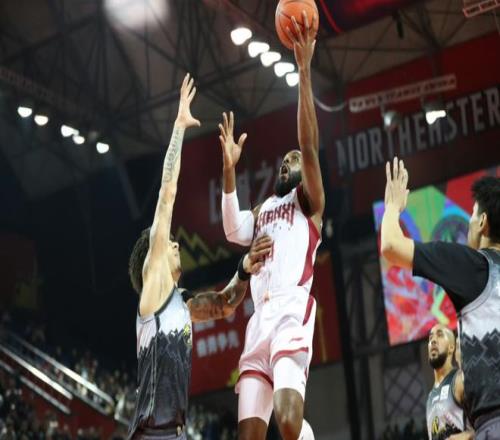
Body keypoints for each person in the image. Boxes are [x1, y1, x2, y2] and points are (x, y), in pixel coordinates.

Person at [126, 74, 273, 439]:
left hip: (173, 433)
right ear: (152, 260)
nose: (176, 244)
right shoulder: (154, 290)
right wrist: (179, 127)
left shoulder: (182, 304)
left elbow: (224, 304)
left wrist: (244, 268)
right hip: (151, 433)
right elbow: (167, 194)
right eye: (169, 242)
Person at [218, 12, 323, 440]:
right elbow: (232, 230)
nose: (286, 162)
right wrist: (228, 172)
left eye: (292, 160)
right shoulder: (264, 209)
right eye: (284, 160)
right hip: (259, 318)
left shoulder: (308, 203)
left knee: (289, 423)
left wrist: (303, 71)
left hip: (290, 311)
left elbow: (309, 145)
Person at [381, 158, 500, 440]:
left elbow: (390, 245)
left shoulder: (471, 265)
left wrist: (392, 207)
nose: (470, 223)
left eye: (472, 216)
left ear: (483, 223)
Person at [426, 324, 472, 440]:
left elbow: (485, 426)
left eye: (440, 335)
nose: (433, 341)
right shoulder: (430, 397)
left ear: (451, 348)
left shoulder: (460, 379)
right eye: (430, 338)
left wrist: (466, 436)